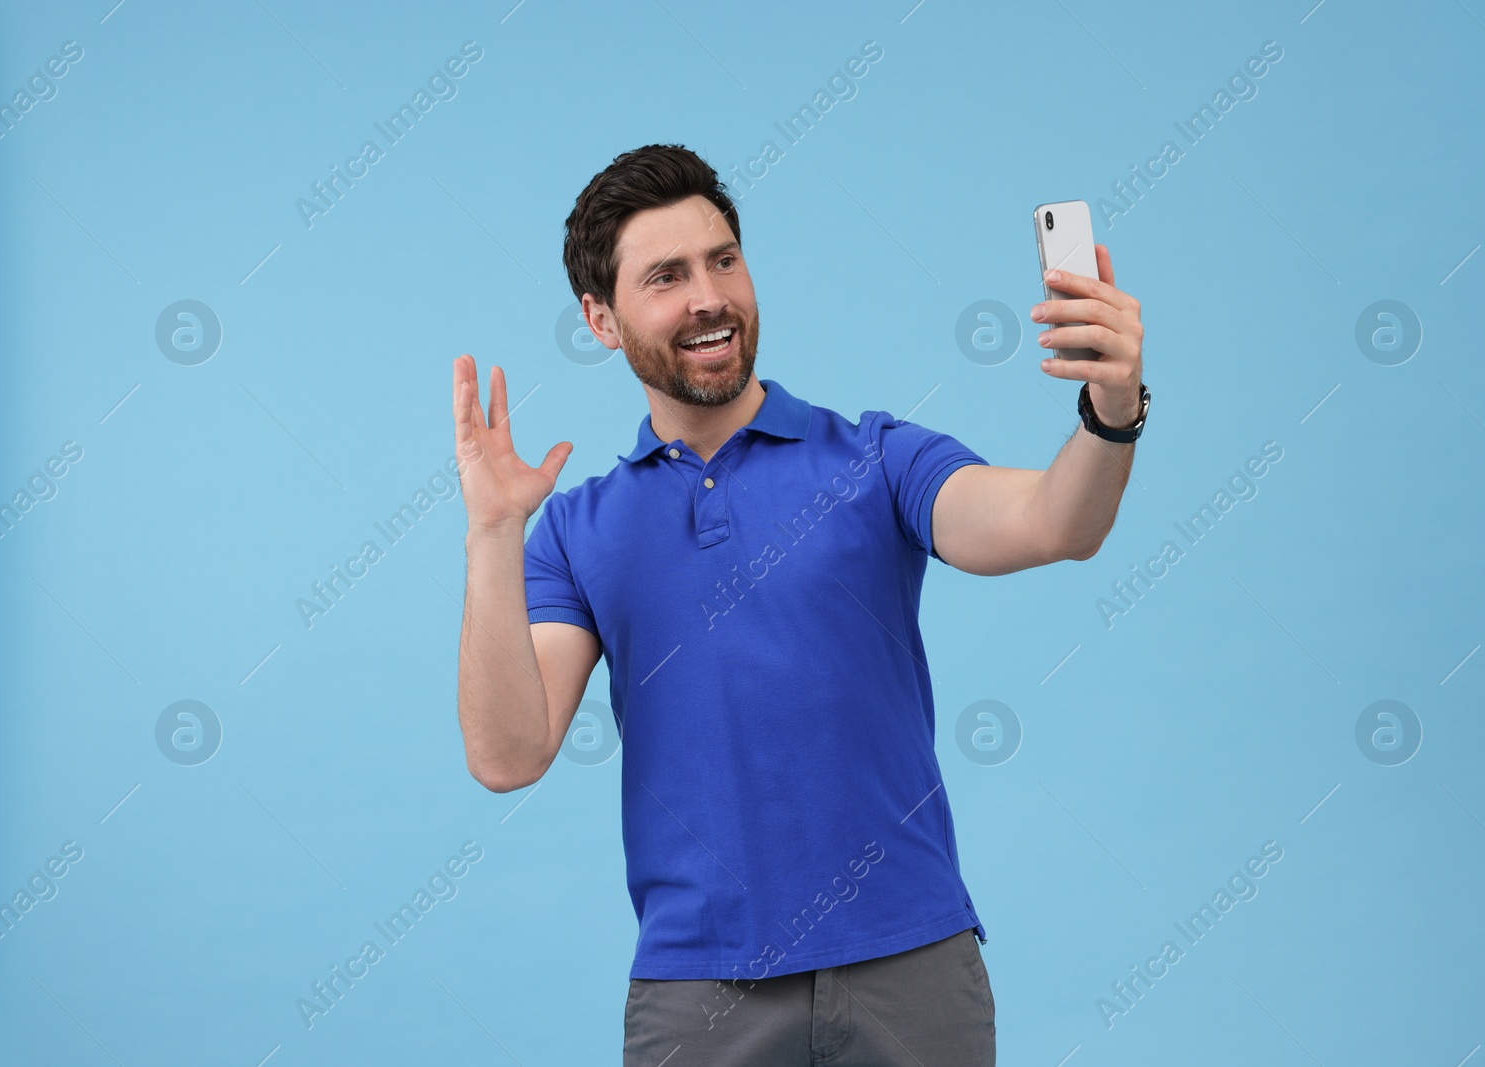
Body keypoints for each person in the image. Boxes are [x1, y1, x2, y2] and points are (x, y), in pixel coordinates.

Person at [451, 144, 1148, 1066]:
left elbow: (1056, 522)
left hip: (914, 967)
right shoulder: (578, 531)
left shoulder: (877, 459)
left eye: (723, 260)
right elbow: (507, 754)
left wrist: (1112, 404)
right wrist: (495, 534)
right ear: (602, 319)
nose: (709, 297)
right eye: (666, 276)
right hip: (698, 992)